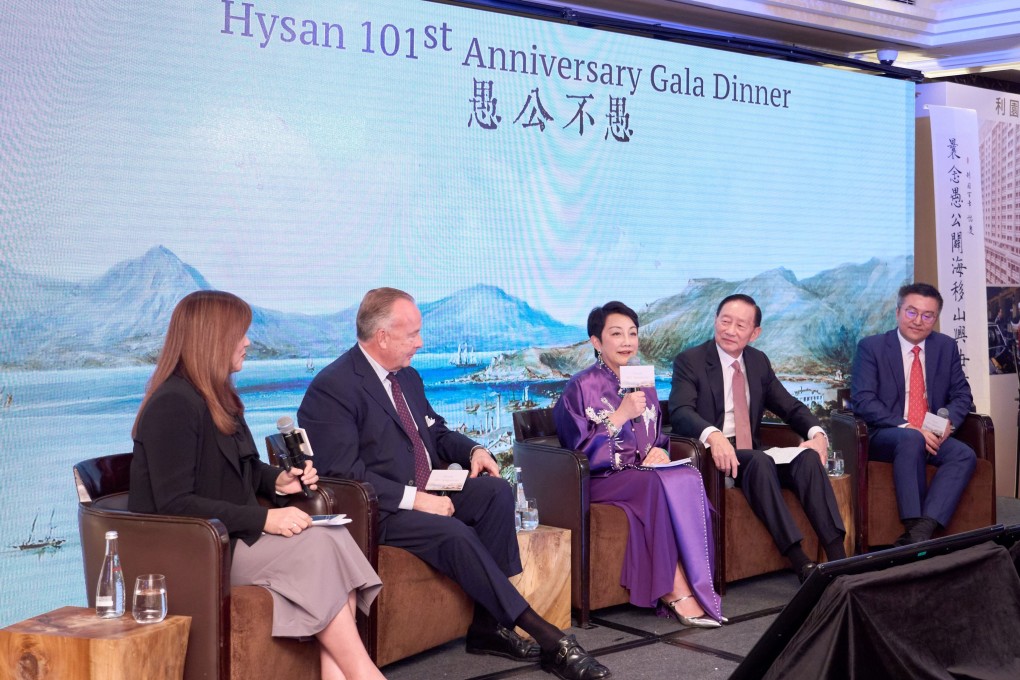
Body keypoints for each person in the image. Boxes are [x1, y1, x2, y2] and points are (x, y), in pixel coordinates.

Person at [298, 288, 611, 680]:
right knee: (453, 533)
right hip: (381, 509)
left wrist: (475, 449)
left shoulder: (406, 378)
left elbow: (436, 431)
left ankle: (487, 628)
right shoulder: (334, 387)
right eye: (412, 334)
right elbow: (343, 475)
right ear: (382, 336)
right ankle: (549, 637)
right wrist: (418, 500)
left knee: (495, 493)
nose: (420, 343)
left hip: (427, 489)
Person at [129, 291, 385, 680]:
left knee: (332, 537)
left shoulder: (220, 399)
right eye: (240, 334)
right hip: (200, 554)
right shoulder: (172, 405)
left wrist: (280, 482)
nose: (248, 342)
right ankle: (364, 672)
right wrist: (265, 519)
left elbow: (244, 471)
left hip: (233, 538)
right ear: (212, 338)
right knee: (318, 546)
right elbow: (175, 504)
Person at [553, 302, 723, 627]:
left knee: (687, 476)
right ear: (596, 341)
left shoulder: (642, 380)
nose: (626, 341)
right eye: (616, 334)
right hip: (600, 478)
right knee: (655, 485)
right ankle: (673, 589)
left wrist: (660, 452)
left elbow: (655, 435)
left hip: (640, 473)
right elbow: (577, 452)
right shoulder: (580, 387)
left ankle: (701, 582)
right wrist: (619, 416)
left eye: (632, 333)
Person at [668, 294, 846, 583]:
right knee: (760, 461)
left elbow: (790, 407)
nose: (730, 330)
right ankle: (800, 562)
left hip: (751, 452)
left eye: (740, 325)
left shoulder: (758, 361)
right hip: (713, 456)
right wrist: (713, 435)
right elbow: (680, 412)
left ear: (755, 333)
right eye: (725, 321)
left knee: (807, 458)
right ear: (715, 321)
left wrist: (817, 434)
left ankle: (839, 559)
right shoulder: (691, 361)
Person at [851, 283, 976, 545]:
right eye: (911, 312)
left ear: (935, 319)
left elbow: (962, 395)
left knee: (964, 454)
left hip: (931, 432)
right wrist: (908, 427)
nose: (918, 321)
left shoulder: (945, 346)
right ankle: (912, 520)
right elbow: (863, 400)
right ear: (898, 312)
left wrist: (947, 421)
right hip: (886, 434)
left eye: (927, 315)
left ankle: (921, 531)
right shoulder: (872, 347)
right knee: (911, 439)